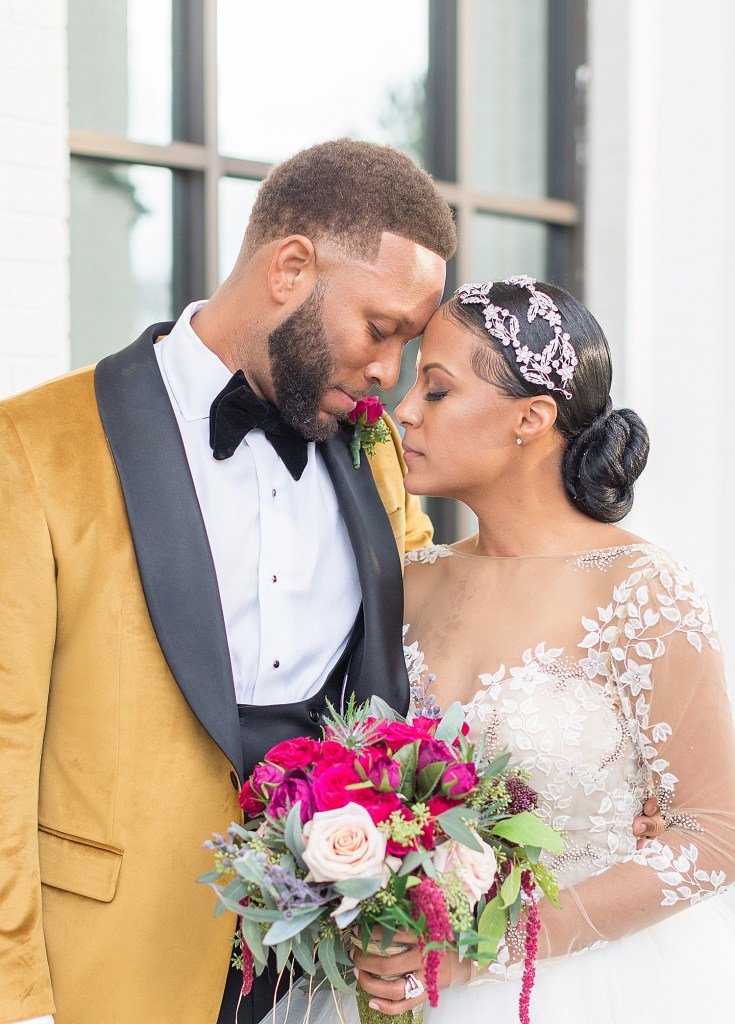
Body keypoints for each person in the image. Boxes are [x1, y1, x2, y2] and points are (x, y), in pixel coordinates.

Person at [0, 138, 456, 1024]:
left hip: (322, 976)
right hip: (114, 966)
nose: (388, 374)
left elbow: (433, 649)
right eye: (380, 329)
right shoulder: (33, 447)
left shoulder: (373, 454)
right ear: (291, 269)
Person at [353, 277, 735, 1021]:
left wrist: (483, 953)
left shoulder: (639, 589)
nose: (403, 411)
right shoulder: (408, 584)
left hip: (587, 988)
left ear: (530, 417)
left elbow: (715, 833)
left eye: (436, 390)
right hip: (393, 983)